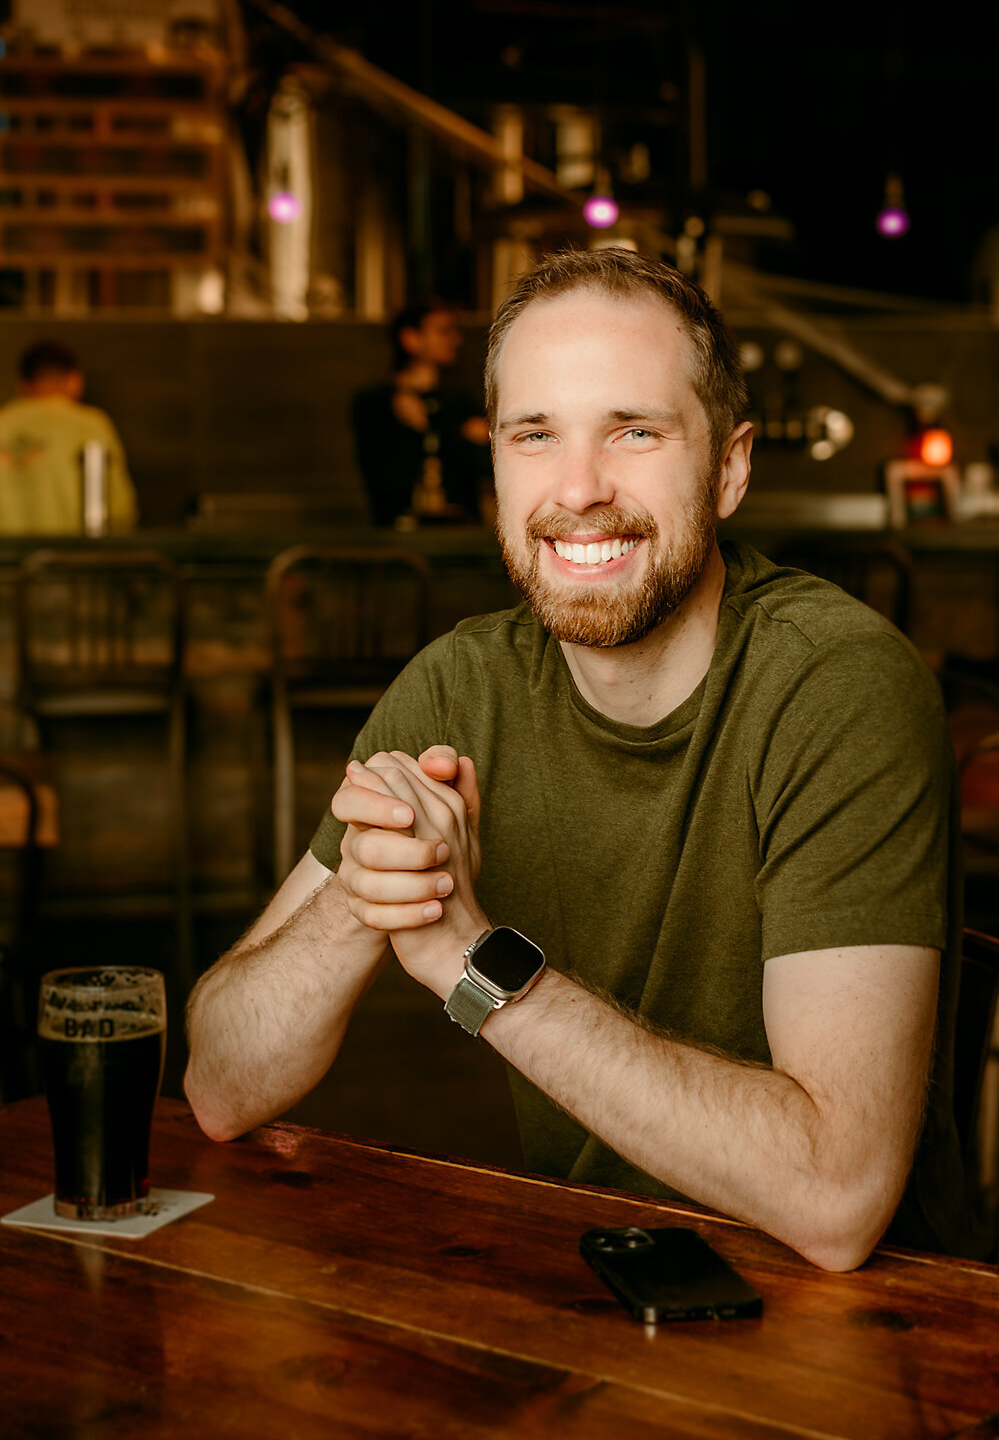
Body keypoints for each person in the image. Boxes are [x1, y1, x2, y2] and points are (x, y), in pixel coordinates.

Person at [186, 248, 984, 1271]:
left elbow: (836, 1198)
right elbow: (218, 1086)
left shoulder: (839, 687)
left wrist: (480, 968)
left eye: (635, 431)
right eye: (534, 436)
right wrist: (372, 892)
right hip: (606, 1288)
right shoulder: (458, 687)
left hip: (878, 1337)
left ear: (730, 467)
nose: (578, 488)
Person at [351, 301, 492, 527]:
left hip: (462, 528)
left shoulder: (460, 400)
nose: (455, 340)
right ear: (411, 339)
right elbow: (381, 477)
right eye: (443, 331)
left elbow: (486, 466)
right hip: (399, 531)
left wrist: (430, 426)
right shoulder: (375, 402)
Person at [0, 341, 138, 534]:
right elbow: (120, 511)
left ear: (21, 384)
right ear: (74, 380)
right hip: (72, 558)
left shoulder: (2, 422)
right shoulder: (91, 425)